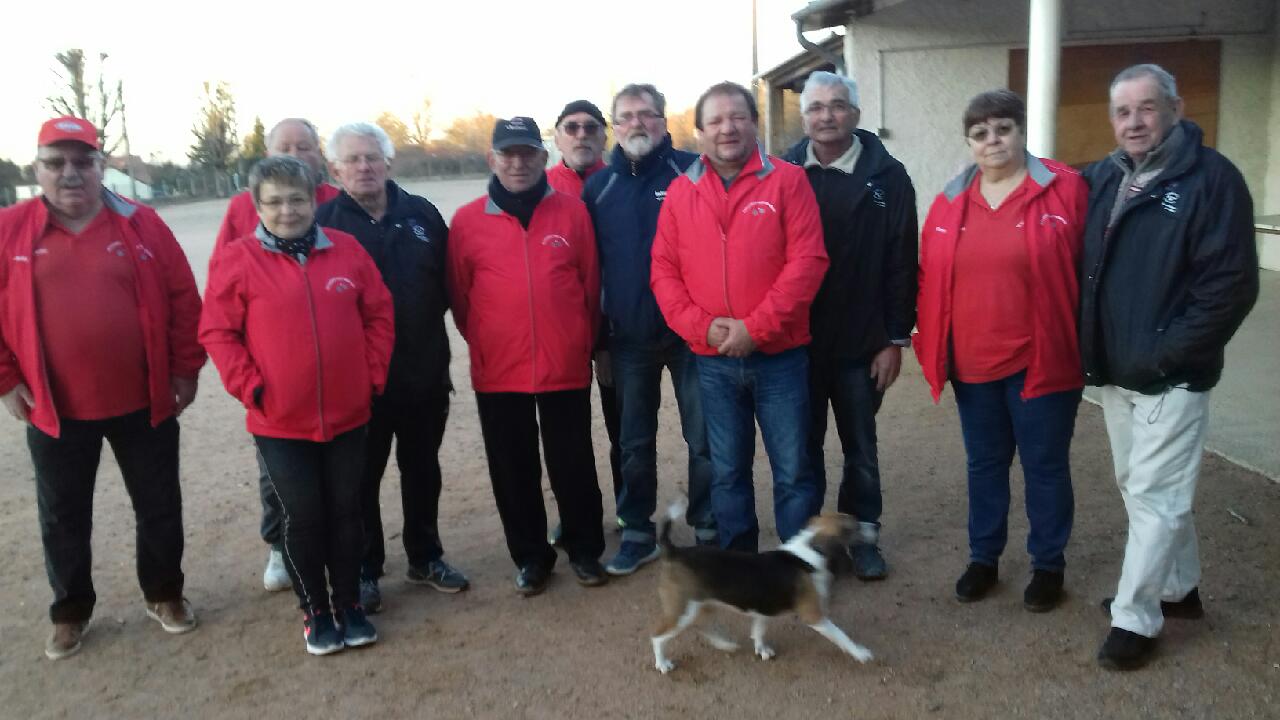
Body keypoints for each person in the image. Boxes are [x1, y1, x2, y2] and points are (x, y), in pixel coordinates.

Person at [0, 117, 204, 660]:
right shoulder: (10, 229)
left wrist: (185, 368)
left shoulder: (142, 224)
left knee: (159, 504)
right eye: (55, 163)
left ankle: (164, 593)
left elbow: (184, 296)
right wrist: (5, 380)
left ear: (100, 165)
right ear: (36, 168)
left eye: (83, 162)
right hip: (55, 406)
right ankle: (70, 610)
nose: (70, 174)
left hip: (145, 398)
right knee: (63, 513)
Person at [1081, 64, 1259, 670]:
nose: (1134, 122)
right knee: (1139, 485)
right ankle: (1178, 589)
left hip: (1171, 373)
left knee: (1155, 495)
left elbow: (1231, 287)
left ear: (1175, 109)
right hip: (1116, 370)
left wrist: (1165, 353)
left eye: (1147, 108)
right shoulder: (1104, 178)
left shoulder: (1213, 180)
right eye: (1123, 111)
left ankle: (1136, 617)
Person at [200, 155, 395, 656]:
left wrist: (370, 374)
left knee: (346, 512)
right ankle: (316, 610)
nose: (287, 210)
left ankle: (349, 603)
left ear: (314, 200)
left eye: (297, 199)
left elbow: (378, 314)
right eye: (274, 202)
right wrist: (252, 387)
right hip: (280, 419)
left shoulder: (347, 251)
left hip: (349, 413)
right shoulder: (238, 260)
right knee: (305, 516)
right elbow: (218, 332)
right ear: (257, 207)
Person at [915, 90, 1087, 612]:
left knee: (1045, 466)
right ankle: (984, 557)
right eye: (981, 133)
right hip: (972, 363)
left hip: (1042, 360)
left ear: (1021, 131)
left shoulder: (1066, 190)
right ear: (969, 143)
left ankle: (1047, 565)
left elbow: (1092, 265)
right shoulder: (949, 201)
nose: (993, 141)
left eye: (1003, 129)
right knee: (984, 465)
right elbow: (927, 276)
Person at [650, 81, 828, 553]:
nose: (727, 128)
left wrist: (756, 328)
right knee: (727, 471)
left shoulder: (788, 181)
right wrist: (703, 328)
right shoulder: (681, 191)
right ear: (700, 131)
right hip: (712, 362)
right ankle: (739, 563)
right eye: (715, 120)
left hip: (781, 357)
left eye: (737, 117)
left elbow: (807, 263)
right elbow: (664, 273)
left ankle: (800, 564)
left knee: (793, 469)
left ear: (754, 122)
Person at [447, 116, 607, 595]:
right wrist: (488, 339)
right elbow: (459, 296)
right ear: (492, 159)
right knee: (512, 468)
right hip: (499, 369)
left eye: (526, 153)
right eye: (507, 154)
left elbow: (590, 284)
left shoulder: (572, 213)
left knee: (573, 463)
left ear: (543, 157)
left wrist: (579, 341)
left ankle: (584, 549)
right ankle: (531, 557)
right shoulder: (468, 221)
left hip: (563, 364)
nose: (517, 163)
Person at [316, 122, 468, 614]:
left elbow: (450, 285)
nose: (363, 167)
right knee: (361, 479)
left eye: (372, 157)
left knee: (422, 471)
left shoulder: (422, 214)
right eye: (352, 160)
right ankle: (365, 567)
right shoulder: (322, 224)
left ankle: (425, 555)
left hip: (423, 372)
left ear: (388, 162)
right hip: (357, 384)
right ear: (335, 169)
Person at [782, 70, 917, 580]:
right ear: (804, 116)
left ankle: (863, 536)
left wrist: (895, 338)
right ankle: (818, 540)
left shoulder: (889, 176)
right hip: (800, 345)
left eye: (837, 105)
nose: (826, 116)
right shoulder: (783, 171)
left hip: (864, 343)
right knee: (804, 449)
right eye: (816, 107)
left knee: (861, 449)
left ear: (856, 115)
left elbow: (903, 260)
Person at [583, 83, 716, 576]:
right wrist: (600, 341)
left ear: (664, 121)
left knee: (704, 438)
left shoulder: (694, 172)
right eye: (626, 116)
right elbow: (592, 270)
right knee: (634, 443)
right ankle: (637, 529)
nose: (637, 123)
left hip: (692, 336)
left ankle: (708, 524)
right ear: (613, 127)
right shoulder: (599, 188)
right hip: (629, 338)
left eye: (647, 114)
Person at [212, 117, 342, 592]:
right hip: (276, 372)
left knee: (342, 470)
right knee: (278, 472)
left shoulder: (336, 203)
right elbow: (222, 298)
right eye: (285, 146)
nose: (295, 154)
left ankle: (341, 548)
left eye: (305, 146)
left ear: (319, 155)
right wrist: (250, 377)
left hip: (336, 373)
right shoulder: (240, 209)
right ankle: (278, 546)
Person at [546, 99, 623, 541]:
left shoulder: (618, 180)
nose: (581, 135)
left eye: (591, 127)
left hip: (616, 331)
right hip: (565, 335)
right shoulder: (541, 186)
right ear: (556, 137)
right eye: (571, 127)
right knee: (568, 436)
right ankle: (576, 514)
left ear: (604, 135)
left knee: (623, 428)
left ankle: (629, 510)